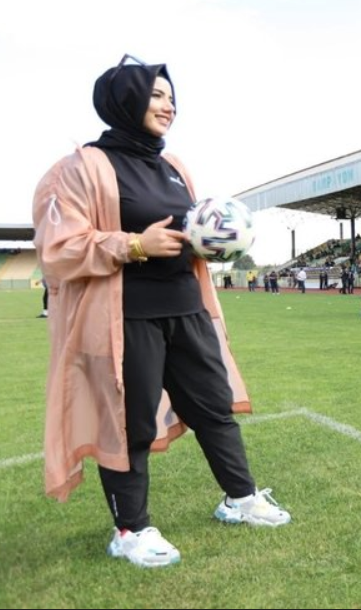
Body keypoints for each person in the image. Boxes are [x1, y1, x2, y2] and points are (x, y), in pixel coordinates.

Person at [31, 55, 290, 569]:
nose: (168, 105)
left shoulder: (175, 167)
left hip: (186, 311)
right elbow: (57, 249)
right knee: (130, 425)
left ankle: (239, 500)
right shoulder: (80, 167)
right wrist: (133, 244)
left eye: (171, 96)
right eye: (155, 94)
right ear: (122, 100)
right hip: (124, 319)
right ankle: (130, 529)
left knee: (214, 408)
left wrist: (209, 244)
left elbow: (182, 235)